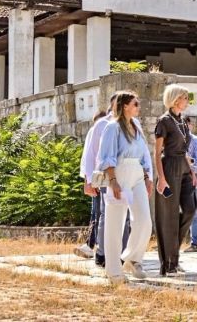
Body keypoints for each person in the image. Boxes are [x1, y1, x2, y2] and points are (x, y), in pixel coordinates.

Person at [97, 91, 154, 285]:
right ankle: (113, 271)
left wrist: (147, 176)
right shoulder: (112, 127)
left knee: (144, 220)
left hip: (137, 173)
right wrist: (113, 180)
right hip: (119, 173)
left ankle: (132, 258)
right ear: (124, 106)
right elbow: (106, 156)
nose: (138, 107)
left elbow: (143, 153)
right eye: (135, 103)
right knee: (115, 224)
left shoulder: (136, 125)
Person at [77, 92, 130, 268]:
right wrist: (88, 181)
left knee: (125, 216)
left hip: (125, 175)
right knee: (104, 215)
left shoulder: (130, 124)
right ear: (114, 104)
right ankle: (101, 253)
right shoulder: (101, 124)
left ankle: (121, 253)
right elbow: (90, 154)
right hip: (104, 176)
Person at [154, 84, 197, 276]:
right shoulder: (164, 121)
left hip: (184, 167)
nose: (187, 101)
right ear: (174, 99)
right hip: (169, 166)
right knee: (169, 216)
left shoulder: (182, 121)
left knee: (190, 209)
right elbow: (157, 153)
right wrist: (161, 178)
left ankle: (173, 253)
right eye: (184, 97)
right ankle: (169, 264)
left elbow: (185, 150)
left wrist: (192, 172)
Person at [74, 109, 106, 260]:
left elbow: (88, 158)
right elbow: (88, 158)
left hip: (99, 176)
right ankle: (91, 245)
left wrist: (87, 180)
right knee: (97, 212)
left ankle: (92, 245)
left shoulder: (101, 130)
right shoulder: (96, 131)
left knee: (98, 213)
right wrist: (88, 181)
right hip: (97, 176)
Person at [184, 116, 197, 253]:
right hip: (175, 178)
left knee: (193, 211)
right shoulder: (174, 140)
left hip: (191, 179)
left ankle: (195, 243)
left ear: (191, 125)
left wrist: (188, 160)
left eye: (186, 124)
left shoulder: (196, 141)